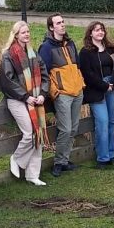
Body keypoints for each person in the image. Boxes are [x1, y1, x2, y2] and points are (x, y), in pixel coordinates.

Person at [0, 20, 50, 186]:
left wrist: (43, 93)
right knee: (29, 132)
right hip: (17, 100)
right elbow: (8, 80)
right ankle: (17, 158)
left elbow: (44, 74)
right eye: (23, 32)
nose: (27, 34)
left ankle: (32, 174)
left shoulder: (33, 53)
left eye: (28, 31)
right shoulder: (8, 54)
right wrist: (25, 96)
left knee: (38, 134)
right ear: (16, 35)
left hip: (35, 99)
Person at [39, 13, 86, 177]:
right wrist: (55, 92)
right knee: (65, 129)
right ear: (51, 27)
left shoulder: (70, 43)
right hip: (62, 94)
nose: (62, 25)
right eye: (58, 23)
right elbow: (43, 72)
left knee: (73, 128)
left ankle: (65, 160)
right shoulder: (46, 47)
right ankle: (58, 162)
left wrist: (81, 84)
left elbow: (77, 66)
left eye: (63, 22)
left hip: (77, 92)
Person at [78, 21, 114, 169]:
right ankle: (102, 158)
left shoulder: (110, 48)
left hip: (112, 88)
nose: (100, 32)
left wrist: (113, 83)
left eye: (102, 30)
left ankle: (112, 154)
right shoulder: (85, 52)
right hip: (96, 90)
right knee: (102, 122)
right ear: (90, 33)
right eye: (97, 30)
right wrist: (104, 86)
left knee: (112, 122)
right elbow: (87, 74)